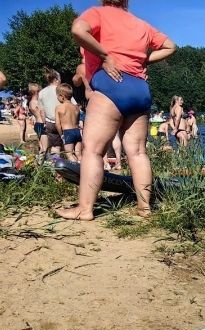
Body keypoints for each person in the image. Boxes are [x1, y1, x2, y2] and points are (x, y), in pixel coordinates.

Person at [56, 0, 176, 221]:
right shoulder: (141, 24)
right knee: (138, 152)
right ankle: (144, 208)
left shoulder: (98, 13)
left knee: (93, 150)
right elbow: (171, 46)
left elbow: (77, 30)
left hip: (111, 84)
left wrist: (105, 55)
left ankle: (84, 209)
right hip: (140, 88)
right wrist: (143, 61)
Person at [38, 68, 65, 158]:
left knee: (55, 147)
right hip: (64, 122)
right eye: (60, 78)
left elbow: (42, 111)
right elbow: (74, 106)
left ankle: (56, 166)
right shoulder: (62, 90)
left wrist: (44, 123)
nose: (61, 80)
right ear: (56, 79)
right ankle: (68, 168)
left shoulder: (41, 92)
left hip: (50, 122)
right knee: (67, 147)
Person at [55, 83, 83, 161]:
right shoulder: (76, 107)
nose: (57, 98)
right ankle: (83, 170)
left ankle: (75, 171)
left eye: (57, 96)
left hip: (67, 132)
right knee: (79, 154)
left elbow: (57, 124)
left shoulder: (59, 108)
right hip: (77, 131)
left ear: (62, 96)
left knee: (69, 154)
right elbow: (77, 121)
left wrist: (61, 135)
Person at [28, 83, 46, 151]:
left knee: (41, 146)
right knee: (45, 148)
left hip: (37, 124)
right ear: (36, 92)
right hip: (42, 124)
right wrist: (45, 123)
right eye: (39, 91)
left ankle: (40, 160)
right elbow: (42, 113)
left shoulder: (30, 102)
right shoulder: (37, 102)